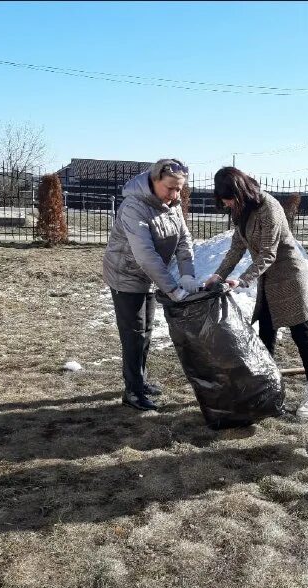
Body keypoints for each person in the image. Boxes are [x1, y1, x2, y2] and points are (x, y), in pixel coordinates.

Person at [204, 167, 308, 419]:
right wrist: (219, 274)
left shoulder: (269, 207)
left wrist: (242, 279)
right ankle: (265, 390)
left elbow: (268, 253)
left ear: (239, 191)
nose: (225, 204)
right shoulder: (242, 210)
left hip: (289, 276)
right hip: (269, 280)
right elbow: (237, 247)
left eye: (227, 198)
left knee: (302, 335)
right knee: (265, 334)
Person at [103, 158, 198, 412]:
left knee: (145, 332)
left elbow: (183, 241)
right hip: (125, 275)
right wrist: (172, 288)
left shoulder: (172, 205)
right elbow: (145, 254)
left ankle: (140, 381)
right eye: (170, 188)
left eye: (179, 189)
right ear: (154, 180)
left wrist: (187, 274)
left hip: (149, 276)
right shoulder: (134, 207)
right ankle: (132, 392)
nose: (175, 194)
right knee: (133, 334)